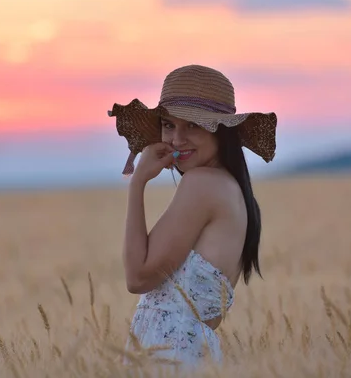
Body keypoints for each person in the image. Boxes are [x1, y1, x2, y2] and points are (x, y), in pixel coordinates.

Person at [107, 64, 278, 371]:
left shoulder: (201, 184)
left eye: (193, 126)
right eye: (169, 125)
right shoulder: (230, 188)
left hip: (169, 358)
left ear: (221, 131)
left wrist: (137, 184)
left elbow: (137, 277)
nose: (177, 139)